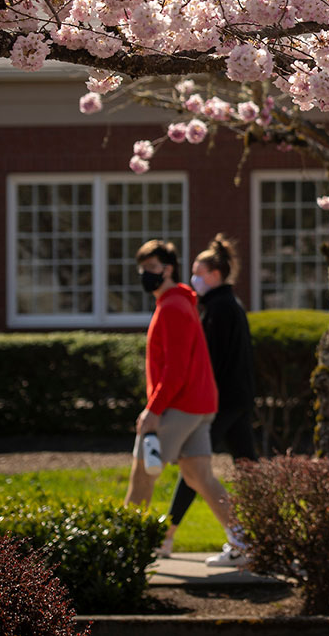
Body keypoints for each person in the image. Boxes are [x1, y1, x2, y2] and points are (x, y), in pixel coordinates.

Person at [126, 239, 248, 568]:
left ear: (167, 269)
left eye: (151, 268)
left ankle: (126, 552)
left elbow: (176, 369)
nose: (145, 274)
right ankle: (245, 542)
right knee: (199, 476)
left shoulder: (173, 308)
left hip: (180, 405)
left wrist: (153, 409)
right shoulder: (181, 303)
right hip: (200, 405)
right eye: (142, 268)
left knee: (142, 474)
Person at [155, 234, 259, 560]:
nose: (194, 278)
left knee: (194, 469)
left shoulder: (217, 309)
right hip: (238, 400)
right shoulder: (231, 305)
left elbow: (207, 361)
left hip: (219, 403)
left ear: (214, 274)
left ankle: (166, 536)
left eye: (198, 272)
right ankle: (262, 537)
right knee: (249, 470)